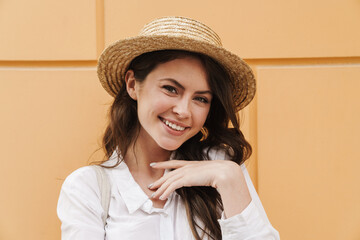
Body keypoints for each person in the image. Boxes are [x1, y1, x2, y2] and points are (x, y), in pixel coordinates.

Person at [57, 16, 280, 240]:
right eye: (171, 89)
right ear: (133, 85)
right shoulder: (88, 188)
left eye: (201, 99)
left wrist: (230, 177)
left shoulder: (221, 168)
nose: (184, 111)